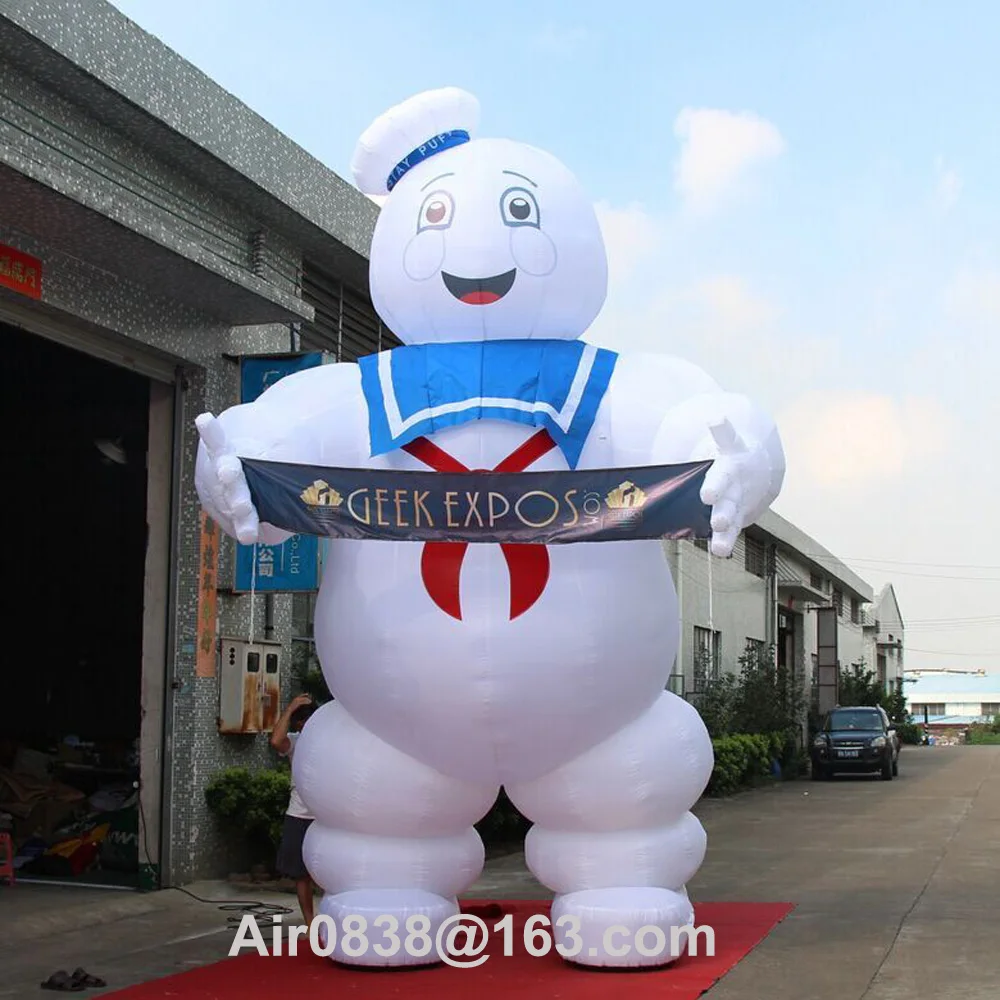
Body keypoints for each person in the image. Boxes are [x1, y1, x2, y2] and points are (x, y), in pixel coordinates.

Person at [270, 693, 317, 926]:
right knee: (301, 873)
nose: (304, 726)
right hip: (299, 813)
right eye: (300, 722)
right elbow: (276, 742)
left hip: (326, 817)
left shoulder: (331, 741)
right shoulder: (295, 743)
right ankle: (311, 923)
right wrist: (289, 709)